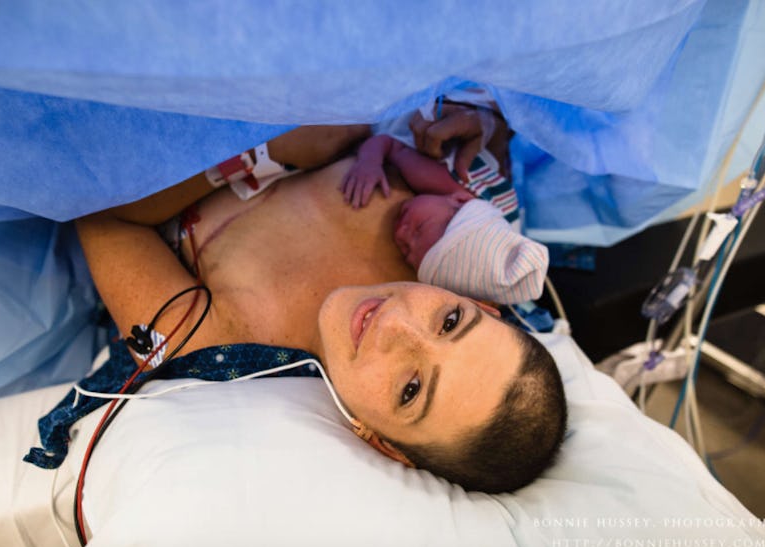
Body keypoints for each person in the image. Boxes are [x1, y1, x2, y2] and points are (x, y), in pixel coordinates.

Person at [38, 109, 567, 494]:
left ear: (381, 443)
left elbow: (103, 215)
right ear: (483, 306)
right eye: (451, 320)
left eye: (410, 389)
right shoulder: (451, 233)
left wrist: (269, 154)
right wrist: (483, 117)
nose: (397, 324)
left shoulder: (213, 350)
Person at [339, 130, 549, 305]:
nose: (402, 235)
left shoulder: (465, 246)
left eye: (407, 253)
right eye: (419, 228)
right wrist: (369, 162)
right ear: (458, 200)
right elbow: (387, 142)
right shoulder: (446, 183)